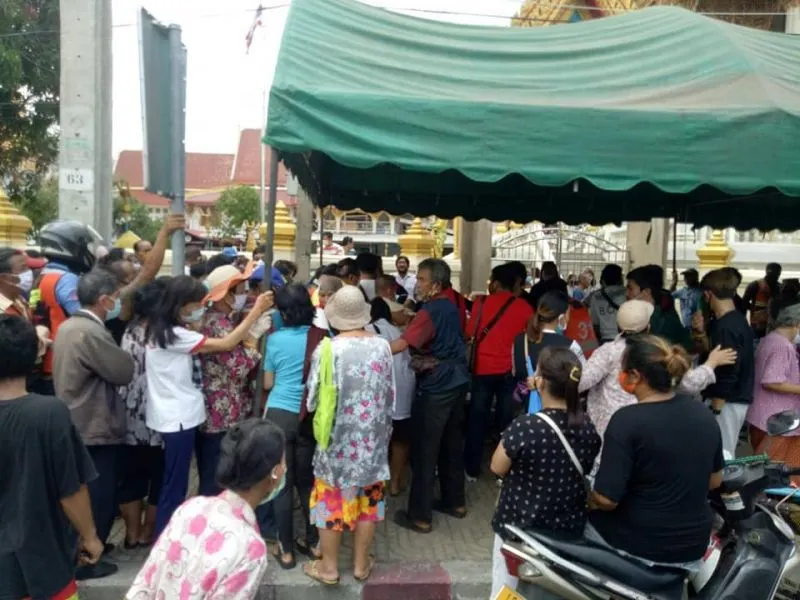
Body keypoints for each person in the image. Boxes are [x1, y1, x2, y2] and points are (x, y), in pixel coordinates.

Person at [144, 275, 273, 536]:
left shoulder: (163, 329)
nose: (201, 308)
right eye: (196, 304)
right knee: (175, 485)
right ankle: (167, 540)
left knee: (174, 480)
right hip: (179, 418)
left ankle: (169, 535)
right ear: (180, 305)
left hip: (175, 415)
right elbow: (227, 344)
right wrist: (255, 315)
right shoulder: (175, 335)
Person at [588, 335, 724, 569]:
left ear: (635, 375)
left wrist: (587, 493)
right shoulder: (703, 414)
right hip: (693, 545)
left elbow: (607, 500)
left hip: (639, 543)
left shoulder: (626, 421)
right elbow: (715, 481)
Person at [0, 315, 103, 600]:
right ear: (35, 354)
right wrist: (90, 536)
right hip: (43, 565)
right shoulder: (49, 413)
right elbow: (70, 489)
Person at [126, 419, 286, 599]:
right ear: (275, 473)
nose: (285, 468)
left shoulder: (191, 507)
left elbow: (143, 584)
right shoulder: (251, 548)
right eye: (283, 462)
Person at [489, 347, 601, 598]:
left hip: (519, 530)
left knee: (508, 589)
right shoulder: (587, 428)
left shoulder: (526, 427)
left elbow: (497, 466)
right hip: (566, 532)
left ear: (541, 382)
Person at [303, 285, 394, 585]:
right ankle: (360, 565)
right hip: (372, 442)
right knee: (369, 499)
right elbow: (390, 393)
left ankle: (329, 568)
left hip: (335, 441)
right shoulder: (382, 346)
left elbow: (312, 399)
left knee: (330, 499)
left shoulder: (327, 349)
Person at [52, 268, 135, 579]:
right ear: (103, 300)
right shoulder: (91, 332)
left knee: (88, 489)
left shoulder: (69, 326)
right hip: (93, 423)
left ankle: (88, 546)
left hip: (78, 420)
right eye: (115, 297)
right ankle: (89, 556)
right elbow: (123, 371)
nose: (117, 303)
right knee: (98, 492)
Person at [579, 300, 735, 460]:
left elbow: (581, 382)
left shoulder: (607, 352)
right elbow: (691, 384)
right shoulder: (659, 353)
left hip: (609, 437)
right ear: (648, 327)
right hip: (651, 436)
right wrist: (711, 362)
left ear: (618, 326)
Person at [390, 258, 470, 534]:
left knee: (425, 450)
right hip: (458, 380)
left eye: (422, 279)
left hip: (437, 385)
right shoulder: (451, 306)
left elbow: (401, 344)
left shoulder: (430, 311)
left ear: (436, 285)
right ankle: (455, 502)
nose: (418, 284)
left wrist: (367, 345)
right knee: (451, 444)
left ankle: (420, 516)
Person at [263, 283, 324, 569]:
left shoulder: (274, 340)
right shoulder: (323, 338)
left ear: (284, 313)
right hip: (309, 415)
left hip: (279, 415)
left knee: (281, 484)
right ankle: (314, 543)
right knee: (307, 481)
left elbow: (267, 383)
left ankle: (286, 551)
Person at [197, 264, 262, 497]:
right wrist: (253, 344)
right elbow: (239, 366)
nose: (245, 295)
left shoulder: (218, 320)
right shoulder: (218, 325)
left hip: (220, 408)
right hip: (221, 412)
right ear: (226, 295)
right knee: (216, 476)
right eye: (241, 290)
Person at [464, 263, 533, 481]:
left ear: (496, 283)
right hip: (509, 372)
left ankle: (471, 470)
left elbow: (469, 332)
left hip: (481, 369)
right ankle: (503, 472)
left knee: (477, 419)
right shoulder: (524, 307)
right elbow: (530, 338)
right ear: (515, 282)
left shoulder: (481, 303)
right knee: (506, 421)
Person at [117, 279, 169, 550]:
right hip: (158, 416)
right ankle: (149, 531)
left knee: (132, 476)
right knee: (159, 476)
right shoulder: (165, 335)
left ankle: (131, 534)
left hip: (129, 414)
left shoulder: (129, 331)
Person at [700, 268, 755, 457]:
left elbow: (729, 367)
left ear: (708, 295)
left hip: (727, 401)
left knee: (722, 455)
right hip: (733, 398)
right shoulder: (736, 320)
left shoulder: (726, 326)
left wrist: (717, 406)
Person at [367, 298, 416, 496]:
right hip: (402, 393)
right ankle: (395, 483)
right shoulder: (398, 332)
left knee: (377, 440)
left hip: (379, 395)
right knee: (401, 440)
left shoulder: (366, 331)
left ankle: (374, 485)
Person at [747, 300, 800, 477]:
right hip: (776, 420)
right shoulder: (782, 346)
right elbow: (771, 381)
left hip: (764, 417)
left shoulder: (771, 339)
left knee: (765, 469)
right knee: (773, 472)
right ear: (796, 324)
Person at [512, 292, 586, 393]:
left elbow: (514, 372)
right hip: (557, 401)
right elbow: (584, 380)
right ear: (561, 317)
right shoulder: (570, 345)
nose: (568, 319)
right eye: (568, 314)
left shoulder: (519, 340)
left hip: (526, 401)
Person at [626, 265, 692, 351]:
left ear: (646, 292)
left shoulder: (664, 322)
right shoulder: (636, 315)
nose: (626, 294)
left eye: (630, 289)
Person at [587, 264, 627, 344]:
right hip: (625, 337)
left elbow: (595, 322)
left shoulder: (596, 295)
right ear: (620, 278)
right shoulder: (627, 293)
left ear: (603, 279)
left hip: (606, 339)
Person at [744, 262, 782, 340]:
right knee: (757, 343)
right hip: (759, 324)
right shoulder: (755, 285)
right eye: (775, 272)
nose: (777, 274)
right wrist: (753, 308)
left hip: (774, 323)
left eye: (778, 272)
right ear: (767, 271)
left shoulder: (780, 287)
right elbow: (744, 302)